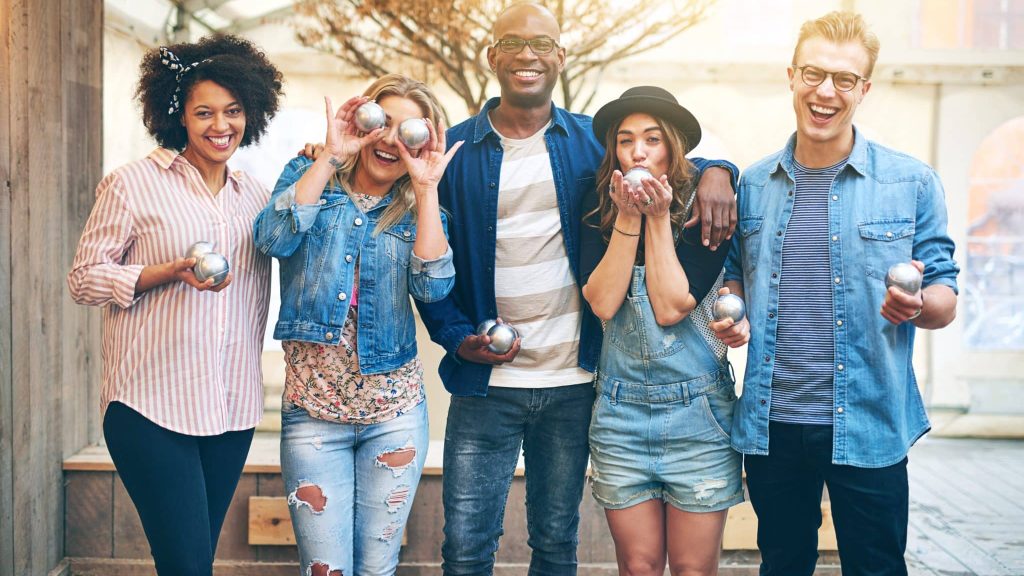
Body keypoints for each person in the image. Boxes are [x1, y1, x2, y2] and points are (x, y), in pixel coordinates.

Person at [414, 3, 739, 574]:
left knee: (556, 545)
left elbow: (667, 156)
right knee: (464, 549)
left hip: (575, 382)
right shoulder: (456, 152)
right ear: (492, 56)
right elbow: (426, 260)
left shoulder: (589, 142)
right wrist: (454, 336)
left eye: (542, 44)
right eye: (512, 42)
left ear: (561, 57)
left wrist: (721, 171)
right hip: (484, 382)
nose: (527, 55)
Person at [711, 11, 959, 576]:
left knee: (876, 567)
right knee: (782, 563)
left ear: (864, 89)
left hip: (869, 421)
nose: (826, 91)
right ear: (792, 76)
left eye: (845, 79)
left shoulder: (912, 182)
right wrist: (733, 317)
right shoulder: (751, 184)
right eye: (814, 74)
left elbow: (945, 293)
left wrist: (916, 306)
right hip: (774, 427)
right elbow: (734, 275)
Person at [67, 35, 282, 575]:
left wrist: (319, 163)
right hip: (149, 408)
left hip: (230, 410)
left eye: (233, 111)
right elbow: (83, 280)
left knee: (190, 564)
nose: (220, 126)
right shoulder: (132, 185)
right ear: (178, 116)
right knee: (187, 567)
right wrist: (166, 272)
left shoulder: (256, 196)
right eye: (204, 112)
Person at [253, 73, 460, 576]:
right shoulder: (310, 173)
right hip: (313, 415)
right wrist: (329, 155)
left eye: (407, 132)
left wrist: (427, 189)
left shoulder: (416, 210)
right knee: (325, 570)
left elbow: (434, 288)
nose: (389, 140)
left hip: (394, 416)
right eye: (380, 122)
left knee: (377, 568)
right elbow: (272, 237)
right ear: (361, 121)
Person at [580, 86, 743, 576]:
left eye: (652, 139)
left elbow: (672, 305)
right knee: (639, 566)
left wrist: (657, 217)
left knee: (694, 569)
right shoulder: (598, 201)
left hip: (699, 417)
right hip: (619, 415)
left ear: (671, 148)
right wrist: (629, 215)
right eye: (626, 140)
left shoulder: (706, 206)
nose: (638, 151)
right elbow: (603, 302)